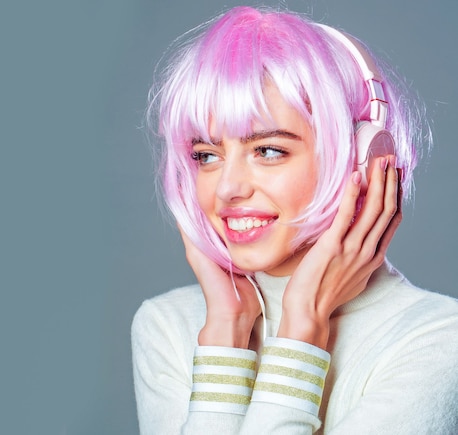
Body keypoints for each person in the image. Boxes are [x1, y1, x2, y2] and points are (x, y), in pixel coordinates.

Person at [131, 6, 458, 434]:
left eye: (268, 150)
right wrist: (227, 335)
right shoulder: (169, 325)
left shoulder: (439, 340)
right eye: (206, 156)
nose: (227, 188)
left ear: (365, 157)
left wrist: (304, 322)